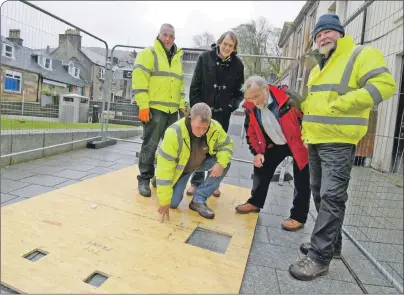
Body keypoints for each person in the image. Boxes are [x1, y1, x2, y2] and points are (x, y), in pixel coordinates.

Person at [288, 14, 397, 281]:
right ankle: (332, 244)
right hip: (315, 139)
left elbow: (385, 85)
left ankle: (318, 257)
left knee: (331, 197)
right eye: (318, 34)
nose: (322, 37)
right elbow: (315, 106)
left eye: (328, 32)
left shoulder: (361, 54)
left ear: (340, 33)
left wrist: (342, 104)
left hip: (339, 140)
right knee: (320, 194)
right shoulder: (317, 68)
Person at [234, 76, 311, 232]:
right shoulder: (250, 107)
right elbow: (251, 132)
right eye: (250, 97)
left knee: (303, 179)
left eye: (257, 96)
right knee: (261, 168)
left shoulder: (289, 98)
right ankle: (255, 202)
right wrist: (256, 153)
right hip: (274, 143)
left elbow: (308, 116)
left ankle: (298, 216)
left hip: (298, 142)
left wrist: (309, 136)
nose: (254, 101)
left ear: (266, 89)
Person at [186, 31, 244, 198]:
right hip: (202, 112)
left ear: (234, 48)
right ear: (219, 42)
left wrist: (230, 106)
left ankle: (213, 183)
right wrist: (196, 109)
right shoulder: (205, 58)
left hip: (223, 113)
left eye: (230, 46)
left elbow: (240, 91)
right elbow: (195, 84)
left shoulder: (238, 65)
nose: (226, 48)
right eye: (224, 44)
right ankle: (196, 183)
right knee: (198, 146)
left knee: (217, 148)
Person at [132, 23, 185, 197]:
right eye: (165, 35)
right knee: (150, 145)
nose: (168, 38)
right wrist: (143, 106)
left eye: (171, 35)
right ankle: (145, 179)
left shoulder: (177, 58)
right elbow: (139, 81)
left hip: (172, 112)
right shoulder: (148, 54)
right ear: (159, 35)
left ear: (174, 38)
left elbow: (180, 84)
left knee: (171, 148)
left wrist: (182, 105)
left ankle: (159, 177)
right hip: (154, 110)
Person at [155, 103, 234, 220]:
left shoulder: (214, 127)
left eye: (205, 128)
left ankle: (198, 199)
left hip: (200, 164)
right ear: (190, 118)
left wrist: (220, 163)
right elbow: (165, 168)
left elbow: (227, 145)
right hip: (181, 169)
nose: (202, 132)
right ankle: (157, 181)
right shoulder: (174, 133)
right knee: (172, 203)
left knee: (225, 163)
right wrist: (164, 200)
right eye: (198, 127)